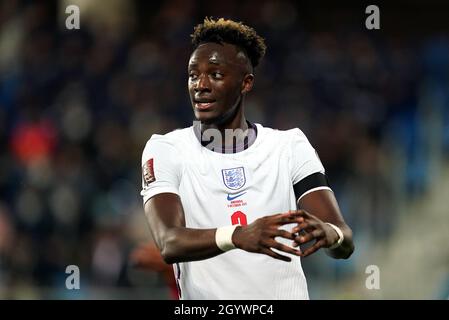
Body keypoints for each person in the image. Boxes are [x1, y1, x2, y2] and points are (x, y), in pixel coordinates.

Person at [140, 17, 354, 300]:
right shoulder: (166, 149)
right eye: (193, 74)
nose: (200, 85)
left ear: (246, 83)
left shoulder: (289, 146)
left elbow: (344, 240)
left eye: (215, 74)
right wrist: (238, 235)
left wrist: (330, 234)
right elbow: (168, 242)